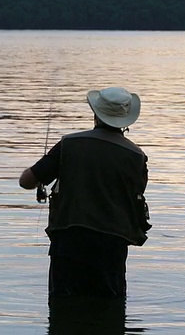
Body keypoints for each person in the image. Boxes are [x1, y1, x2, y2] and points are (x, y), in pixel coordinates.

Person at [19, 87, 151, 299]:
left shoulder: (69, 144)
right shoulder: (137, 157)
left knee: (64, 305)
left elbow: (26, 181)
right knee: (108, 308)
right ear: (126, 120)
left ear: (96, 114)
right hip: (113, 246)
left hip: (69, 243)